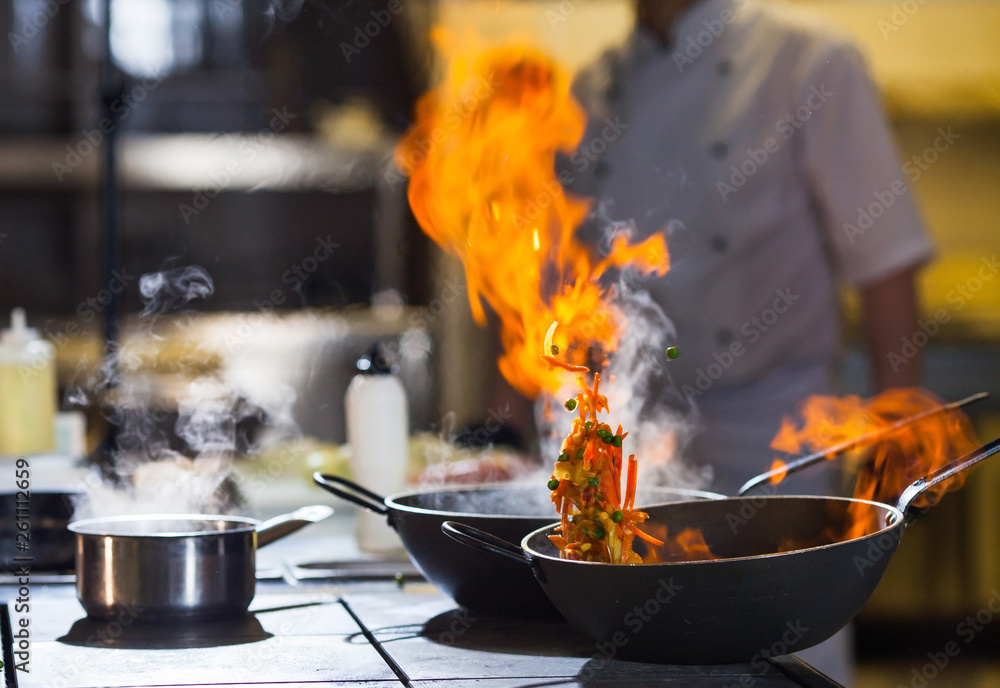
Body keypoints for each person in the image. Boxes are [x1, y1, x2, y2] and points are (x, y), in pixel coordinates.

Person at [564, 0, 935, 682]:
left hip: (778, 449)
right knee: (646, 670)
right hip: (640, 460)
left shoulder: (811, 64)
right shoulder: (588, 90)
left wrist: (898, 427)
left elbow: (886, 264)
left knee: (784, 667)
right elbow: (562, 283)